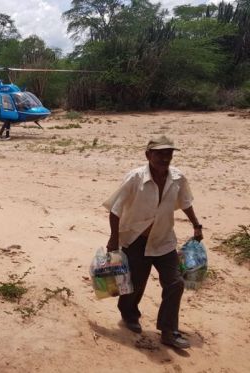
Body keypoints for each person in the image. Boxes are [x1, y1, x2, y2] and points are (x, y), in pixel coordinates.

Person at [103, 135, 203, 349]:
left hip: (164, 239)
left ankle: (168, 331)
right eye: (160, 153)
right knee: (136, 283)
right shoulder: (135, 177)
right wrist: (114, 238)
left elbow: (185, 202)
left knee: (175, 283)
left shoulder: (177, 178)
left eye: (169, 153)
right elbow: (115, 209)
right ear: (148, 155)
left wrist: (196, 224)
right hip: (135, 238)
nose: (165, 157)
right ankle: (130, 315)